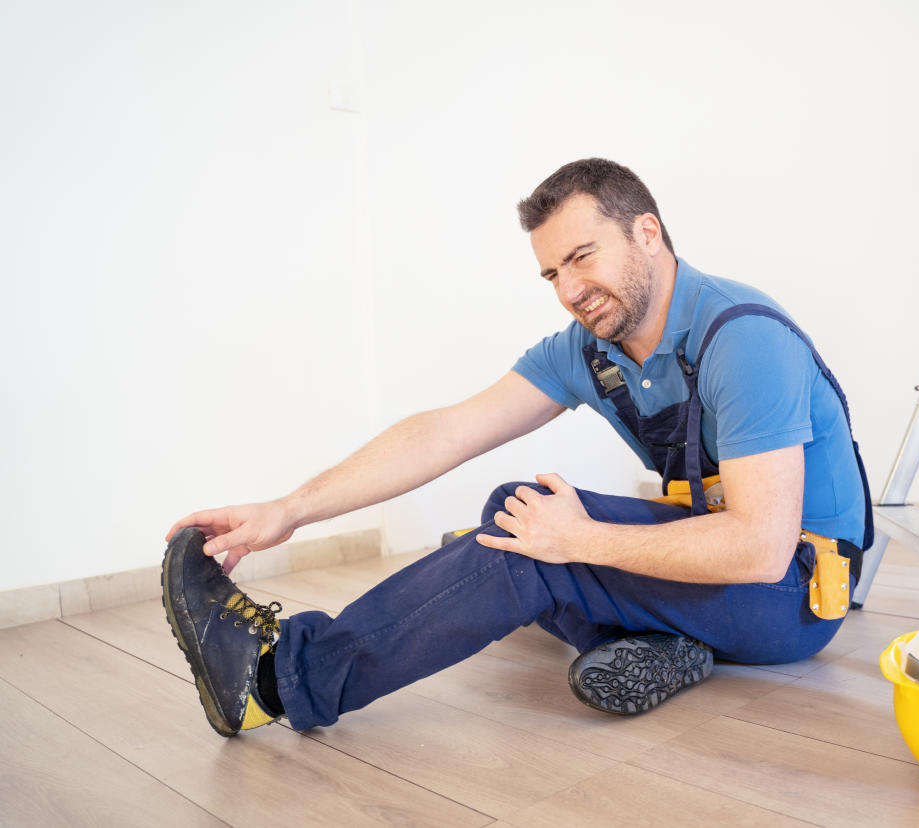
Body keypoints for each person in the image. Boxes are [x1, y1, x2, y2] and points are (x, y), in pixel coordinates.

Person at [161, 158, 873, 737]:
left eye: (581, 257)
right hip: (730, 569)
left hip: (793, 594)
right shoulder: (591, 348)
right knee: (517, 511)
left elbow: (760, 549)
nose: (569, 289)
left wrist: (581, 543)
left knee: (529, 551)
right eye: (551, 273)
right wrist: (290, 510)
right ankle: (669, 647)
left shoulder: (742, 339)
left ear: (647, 233)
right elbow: (445, 431)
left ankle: (274, 683)